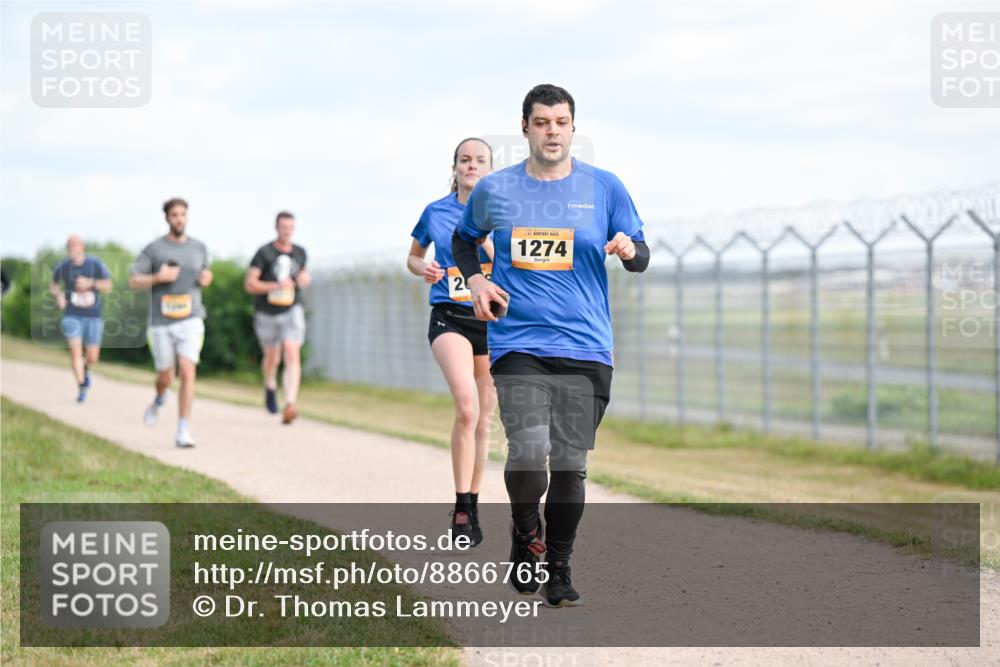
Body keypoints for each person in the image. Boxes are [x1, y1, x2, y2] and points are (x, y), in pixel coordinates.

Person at [452, 84, 650, 606]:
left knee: (569, 463)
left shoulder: (604, 188)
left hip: (586, 347)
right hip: (519, 341)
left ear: (573, 128)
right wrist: (475, 280)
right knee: (530, 449)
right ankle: (524, 532)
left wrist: (629, 250)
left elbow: (641, 253)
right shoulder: (498, 189)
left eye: (561, 123)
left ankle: (559, 564)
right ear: (525, 129)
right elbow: (462, 240)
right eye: (542, 123)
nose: (552, 132)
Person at [408, 137, 497, 546]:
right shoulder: (436, 211)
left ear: (490, 168)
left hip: (494, 323)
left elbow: (516, 261)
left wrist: (488, 243)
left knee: (483, 421)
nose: (472, 166)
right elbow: (413, 255)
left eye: (480, 161)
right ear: (455, 167)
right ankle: (460, 507)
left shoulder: (504, 212)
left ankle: (473, 504)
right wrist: (421, 268)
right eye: (466, 160)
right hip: (451, 318)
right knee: (466, 408)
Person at [129, 198, 212, 448]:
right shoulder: (154, 249)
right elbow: (134, 281)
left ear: (187, 217)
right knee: (166, 375)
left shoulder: (199, 248)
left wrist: (206, 278)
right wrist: (158, 277)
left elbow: (204, 274)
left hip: (191, 318)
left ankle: (183, 429)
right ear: (167, 218)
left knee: (187, 371)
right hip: (161, 321)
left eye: (183, 214)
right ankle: (160, 396)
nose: (179, 219)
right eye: (174, 215)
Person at [244, 211, 310, 424]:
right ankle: (270, 385)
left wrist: (303, 280)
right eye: (284, 227)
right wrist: (275, 285)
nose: (287, 231)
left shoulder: (300, 252)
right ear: (276, 227)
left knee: (292, 352)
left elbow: (304, 278)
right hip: (267, 312)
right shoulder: (264, 253)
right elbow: (250, 284)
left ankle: (290, 404)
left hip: (292, 309)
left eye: (290, 227)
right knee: (272, 358)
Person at [48, 235, 113, 402]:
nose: (71, 249)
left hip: (93, 316)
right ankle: (82, 386)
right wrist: (59, 296)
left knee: (92, 357)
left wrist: (90, 283)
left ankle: (86, 369)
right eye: (68, 246)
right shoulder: (63, 266)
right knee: (75, 352)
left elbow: (108, 286)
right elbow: (53, 285)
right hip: (72, 315)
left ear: (82, 246)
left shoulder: (95, 264)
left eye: (74, 245)